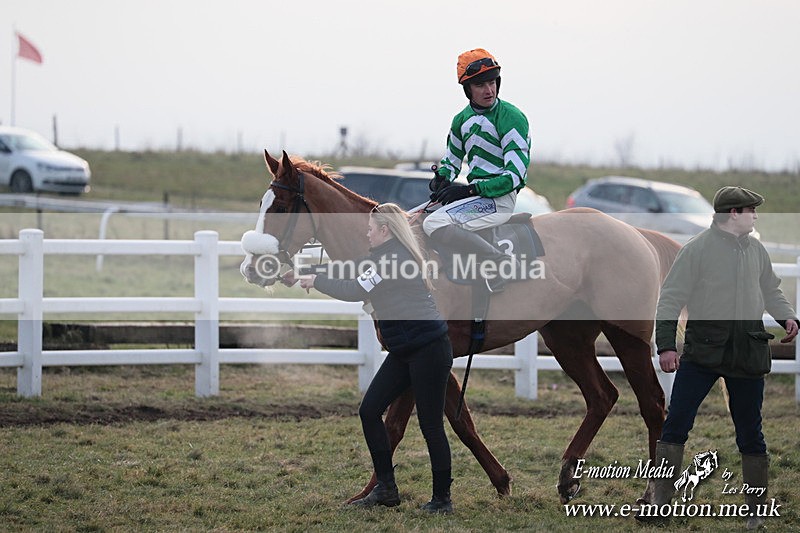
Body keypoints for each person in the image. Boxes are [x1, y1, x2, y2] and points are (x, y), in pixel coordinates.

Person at [642, 186, 799, 528]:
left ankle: (756, 510)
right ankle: (660, 504)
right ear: (733, 214)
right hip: (702, 355)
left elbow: (771, 289)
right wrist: (666, 345)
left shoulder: (756, 250)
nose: (756, 216)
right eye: (750, 210)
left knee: (751, 433)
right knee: (676, 426)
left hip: (747, 355)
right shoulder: (696, 250)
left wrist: (787, 316)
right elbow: (669, 299)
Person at [288, 203, 455, 514]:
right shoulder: (383, 256)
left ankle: (442, 500)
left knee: (431, 426)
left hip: (428, 350)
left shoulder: (393, 260)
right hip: (407, 350)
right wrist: (305, 272)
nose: (367, 233)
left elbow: (356, 289)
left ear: (385, 230)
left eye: (370, 228)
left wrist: (316, 281)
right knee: (369, 410)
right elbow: (352, 270)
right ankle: (386, 489)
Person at [424, 48, 531, 293]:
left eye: (492, 82)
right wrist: (442, 178)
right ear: (467, 89)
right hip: (478, 196)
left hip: (498, 200)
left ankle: (502, 263)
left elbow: (515, 176)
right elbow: (451, 161)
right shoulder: (461, 120)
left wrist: (469, 189)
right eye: (481, 85)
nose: (489, 90)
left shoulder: (511, 117)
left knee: (434, 224)